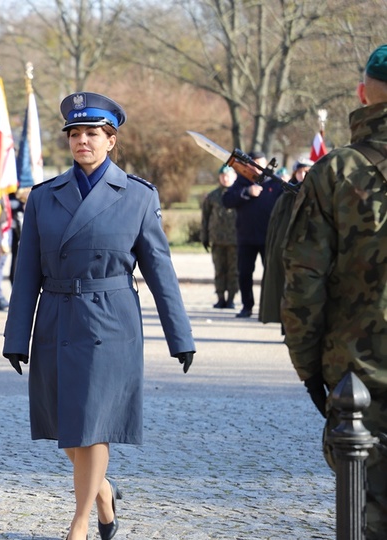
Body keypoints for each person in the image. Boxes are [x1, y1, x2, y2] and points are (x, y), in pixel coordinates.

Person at [2, 92, 195, 540]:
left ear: (112, 140)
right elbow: (26, 272)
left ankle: (81, 523)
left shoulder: (137, 197)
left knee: (92, 429)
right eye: (75, 133)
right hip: (56, 318)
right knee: (69, 434)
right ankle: (103, 491)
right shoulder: (45, 197)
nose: (82, 141)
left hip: (110, 323)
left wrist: (179, 335)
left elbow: (159, 269)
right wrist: (16, 336)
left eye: (92, 133)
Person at [281, 44, 387, 539]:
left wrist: (311, 376)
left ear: (364, 93)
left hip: (363, 383)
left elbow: (303, 286)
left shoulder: (338, 171)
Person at [222, 150, 283, 318]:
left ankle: (270, 308)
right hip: (246, 237)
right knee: (244, 273)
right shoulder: (242, 182)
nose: (258, 169)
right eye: (254, 165)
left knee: (271, 275)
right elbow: (227, 200)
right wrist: (247, 192)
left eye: (261, 165)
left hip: (268, 238)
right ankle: (247, 306)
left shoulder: (275, 183)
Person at [258, 157, 312, 325]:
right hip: (284, 251)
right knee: (284, 290)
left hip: (307, 252)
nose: (303, 175)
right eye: (300, 171)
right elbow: (277, 226)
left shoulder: (317, 195)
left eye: (307, 171)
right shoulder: (286, 196)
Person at [200, 165, 239, 309]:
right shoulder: (212, 196)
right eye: (223, 175)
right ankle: (220, 297)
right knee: (219, 270)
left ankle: (231, 298)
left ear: (234, 177)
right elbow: (205, 218)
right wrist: (204, 236)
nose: (225, 178)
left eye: (228, 175)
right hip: (217, 239)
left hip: (235, 240)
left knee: (234, 271)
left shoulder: (239, 194)